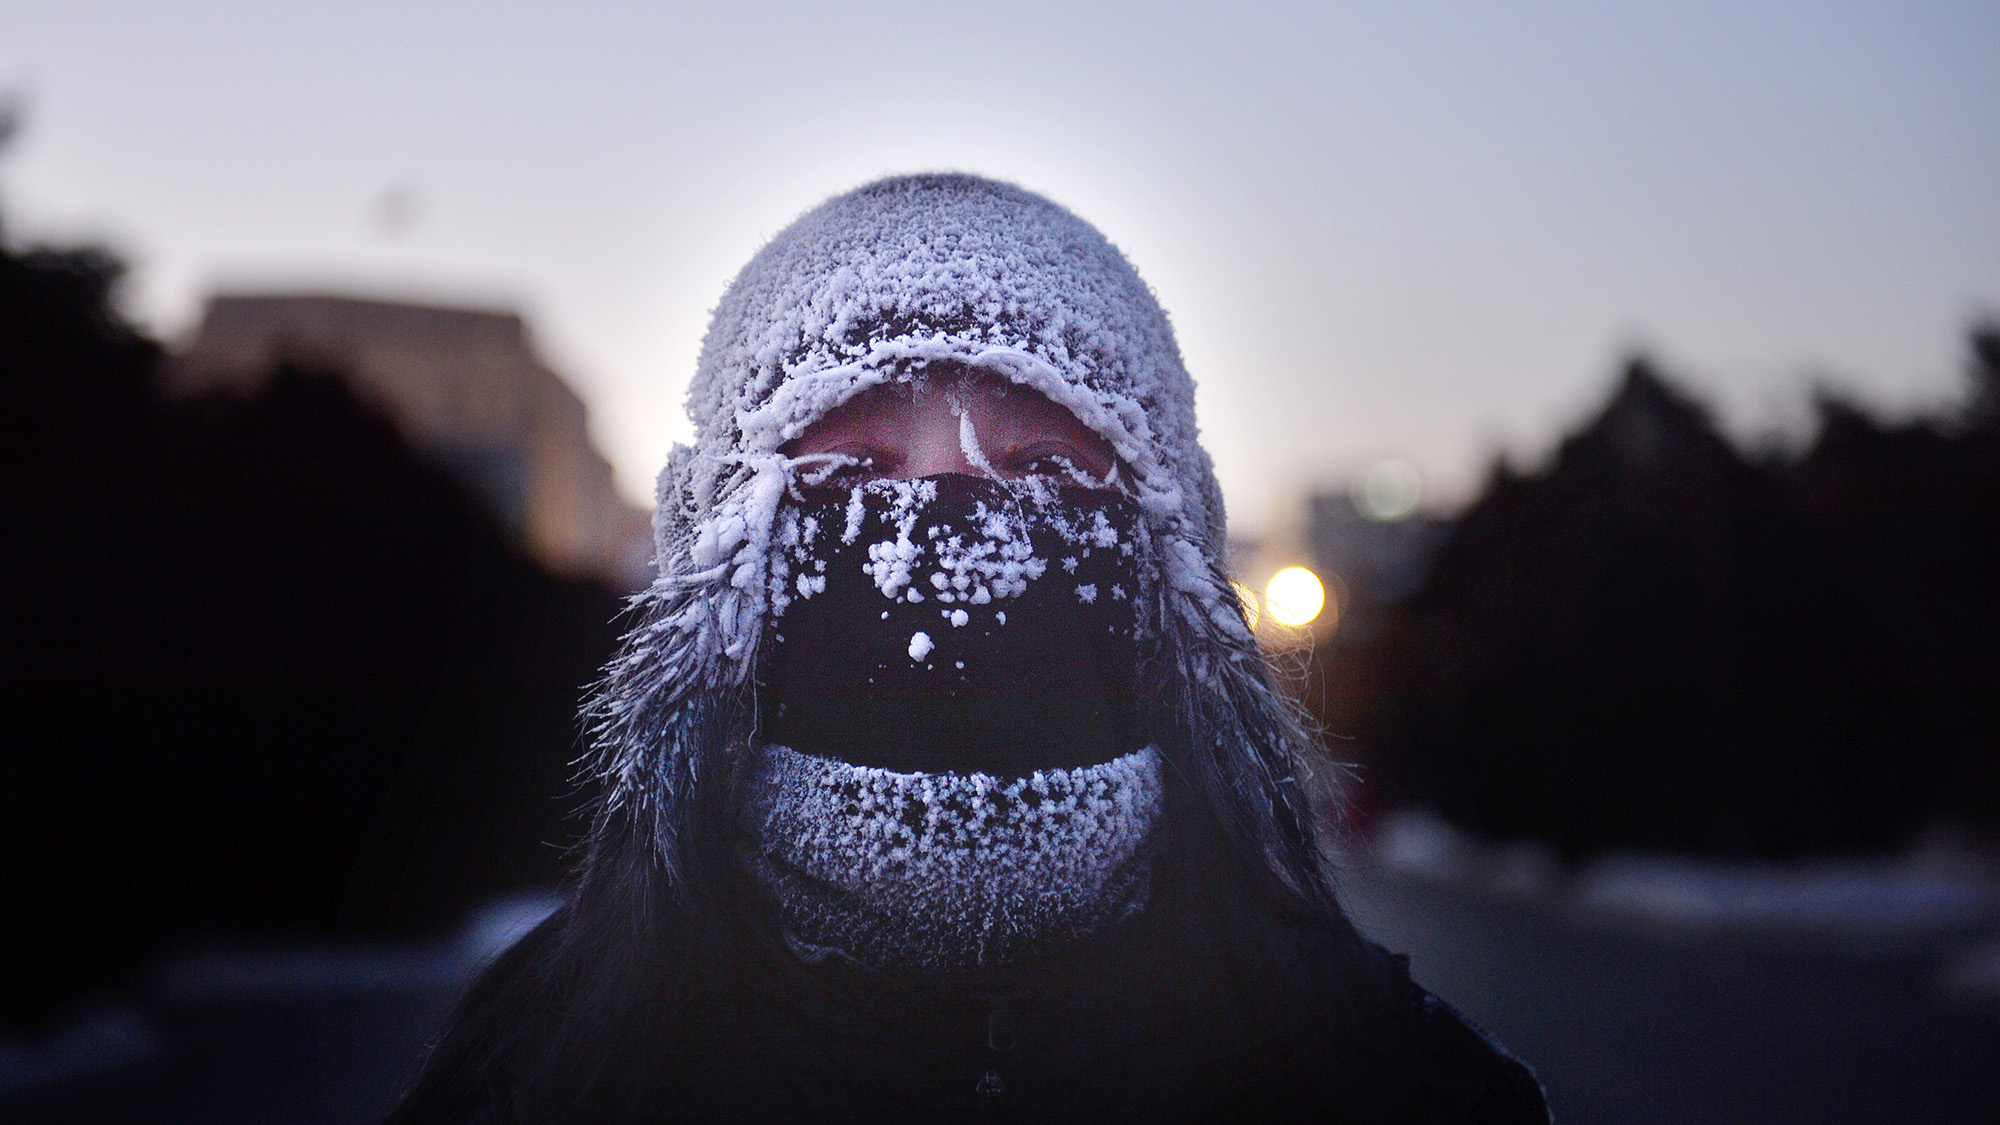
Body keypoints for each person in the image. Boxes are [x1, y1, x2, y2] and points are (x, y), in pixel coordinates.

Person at [390, 174, 1548, 1122]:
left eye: (1045, 468)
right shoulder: (535, 1079)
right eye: (849, 472)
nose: (948, 531)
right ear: (720, 586)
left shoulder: (1392, 1086)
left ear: (1169, 582)